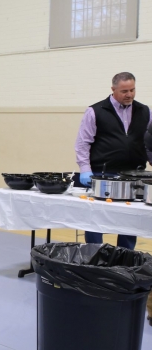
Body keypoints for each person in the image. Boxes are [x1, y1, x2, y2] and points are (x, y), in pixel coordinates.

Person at [74, 72, 151, 250]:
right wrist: (85, 168)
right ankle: (94, 254)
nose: (129, 94)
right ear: (113, 89)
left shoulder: (145, 111)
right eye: (124, 91)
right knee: (97, 219)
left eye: (132, 90)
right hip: (103, 174)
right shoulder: (96, 111)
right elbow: (82, 143)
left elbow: (150, 142)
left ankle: (125, 257)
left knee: (129, 220)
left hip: (135, 174)